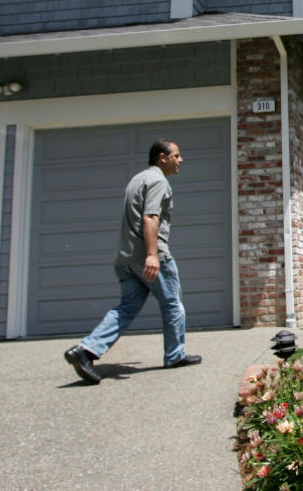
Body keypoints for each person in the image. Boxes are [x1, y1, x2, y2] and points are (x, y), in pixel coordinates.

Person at [64, 139, 201, 384]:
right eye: (176, 156)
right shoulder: (159, 181)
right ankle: (175, 355)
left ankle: (85, 351)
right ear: (162, 157)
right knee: (172, 304)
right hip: (149, 255)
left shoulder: (138, 179)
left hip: (125, 258)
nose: (181, 160)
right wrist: (152, 255)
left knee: (127, 308)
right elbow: (150, 217)